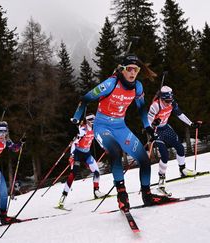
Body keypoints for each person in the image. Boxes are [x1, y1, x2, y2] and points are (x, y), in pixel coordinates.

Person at [70, 54, 168, 212]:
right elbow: (86, 98)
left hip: (120, 127)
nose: (133, 73)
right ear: (122, 69)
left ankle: (147, 195)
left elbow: (142, 109)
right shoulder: (110, 83)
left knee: (143, 158)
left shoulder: (138, 87)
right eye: (129, 69)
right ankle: (122, 196)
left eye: (136, 70)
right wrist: (76, 117)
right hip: (102, 127)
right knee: (115, 152)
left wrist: (148, 127)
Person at [148, 85, 201, 195]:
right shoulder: (155, 106)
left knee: (180, 147)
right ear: (162, 98)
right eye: (166, 101)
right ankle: (161, 178)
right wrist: (153, 123)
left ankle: (183, 170)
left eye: (170, 100)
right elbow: (147, 122)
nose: (169, 103)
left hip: (166, 128)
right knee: (165, 155)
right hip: (157, 130)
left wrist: (191, 123)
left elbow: (179, 114)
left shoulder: (172, 102)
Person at [57, 114, 105, 209]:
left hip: (87, 154)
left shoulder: (95, 130)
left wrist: (105, 147)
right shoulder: (82, 130)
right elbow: (74, 142)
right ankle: (63, 196)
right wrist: (72, 154)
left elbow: (99, 140)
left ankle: (96, 191)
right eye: (90, 120)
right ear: (87, 121)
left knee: (96, 172)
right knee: (73, 174)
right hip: (78, 154)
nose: (92, 122)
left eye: (93, 120)